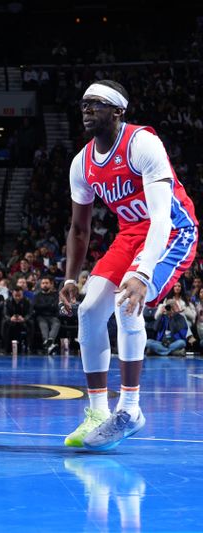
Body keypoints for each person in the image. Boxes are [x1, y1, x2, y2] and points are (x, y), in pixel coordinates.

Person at [59, 80, 198, 451]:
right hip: (131, 234)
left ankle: (131, 409)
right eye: (84, 104)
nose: (88, 109)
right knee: (88, 310)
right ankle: (98, 412)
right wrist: (71, 277)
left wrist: (141, 273)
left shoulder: (142, 143)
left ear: (118, 111)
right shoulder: (82, 163)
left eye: (98, 104)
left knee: (126, 303)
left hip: (173, 231)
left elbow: (161, 218)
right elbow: (79, 227)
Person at [33, 275, 61, 354]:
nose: (45, 285)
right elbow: (36, 307)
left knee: (56, 323)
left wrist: (43, 306)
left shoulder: (55, 295)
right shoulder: (37, 296)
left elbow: (55, 306)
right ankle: (48, 343)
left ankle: (49, 341)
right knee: (43, 325)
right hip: (41, 316)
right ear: (40, 285)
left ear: (51, 284)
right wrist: (49, 305)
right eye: (43, 283)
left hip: (52, 316)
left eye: (46, 283)